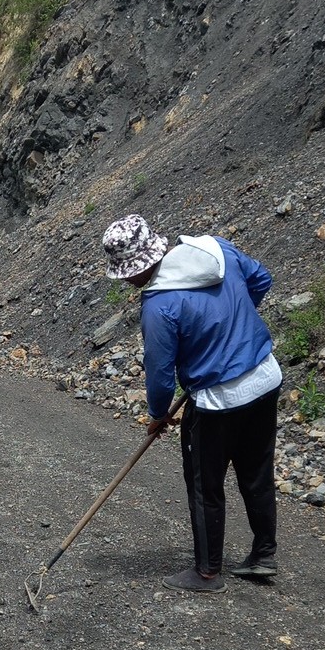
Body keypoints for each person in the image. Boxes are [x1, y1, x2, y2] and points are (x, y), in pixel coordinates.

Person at [100, 214, 282, 594]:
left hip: (218, 401)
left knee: (204, 484)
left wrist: (157, 414)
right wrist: (234, 325)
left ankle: (207, 572)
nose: (128, 281)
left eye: (128, 273)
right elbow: (261, 279)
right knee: (256, 471)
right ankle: (264, 553)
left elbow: (160, 372)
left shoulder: (158, 304)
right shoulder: (215, 250)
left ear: (140, 265)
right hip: (264, 378)